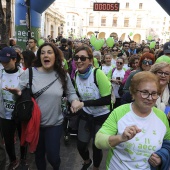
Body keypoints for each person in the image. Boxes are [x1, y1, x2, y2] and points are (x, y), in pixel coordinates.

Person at [5, 43, 83, 170]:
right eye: (42, 53)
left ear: (55, 56)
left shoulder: (63, 74)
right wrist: (17, 94)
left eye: (49, 52)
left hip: (55, 124)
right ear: (39, 56)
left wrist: (74, 101)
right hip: (35, 125)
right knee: (39, 156)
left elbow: (71, 93)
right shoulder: (29, 73)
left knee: (53, 157)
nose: (46, 55)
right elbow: (18, 94)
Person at [95, 71, 170, 170]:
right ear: (133, 93)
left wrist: (161, 156)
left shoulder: (161, 116)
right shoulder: (119, 112)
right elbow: (98, 141)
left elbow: (167, 143)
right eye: (144, 92)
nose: (150, 98)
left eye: (154, 93)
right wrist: (120, 138)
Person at [74, 45, 112, 170]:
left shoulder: (98, 73)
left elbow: (107, 99)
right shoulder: (76, 74)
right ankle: (87, 161)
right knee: (81, 144)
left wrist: (84, 103)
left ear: (90, 60)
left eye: (83, 58)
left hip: (102, 116)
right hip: (86, 114)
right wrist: (74, 103)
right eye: (76, 58)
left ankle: (95, 167)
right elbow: (77, 95)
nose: (79, 61)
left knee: (97, 146)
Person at [0, 47, 28, 170]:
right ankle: (13, 160)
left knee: (23, 139)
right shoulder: (0, 73)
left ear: (14, 59)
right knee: (8, 141)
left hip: (19, 114)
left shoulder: (23, 74)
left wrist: (19, 93)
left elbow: (28, 94)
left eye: (7, 61)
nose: (3, 63)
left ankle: (23, 159)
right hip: (4, 114)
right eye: (2, 61)